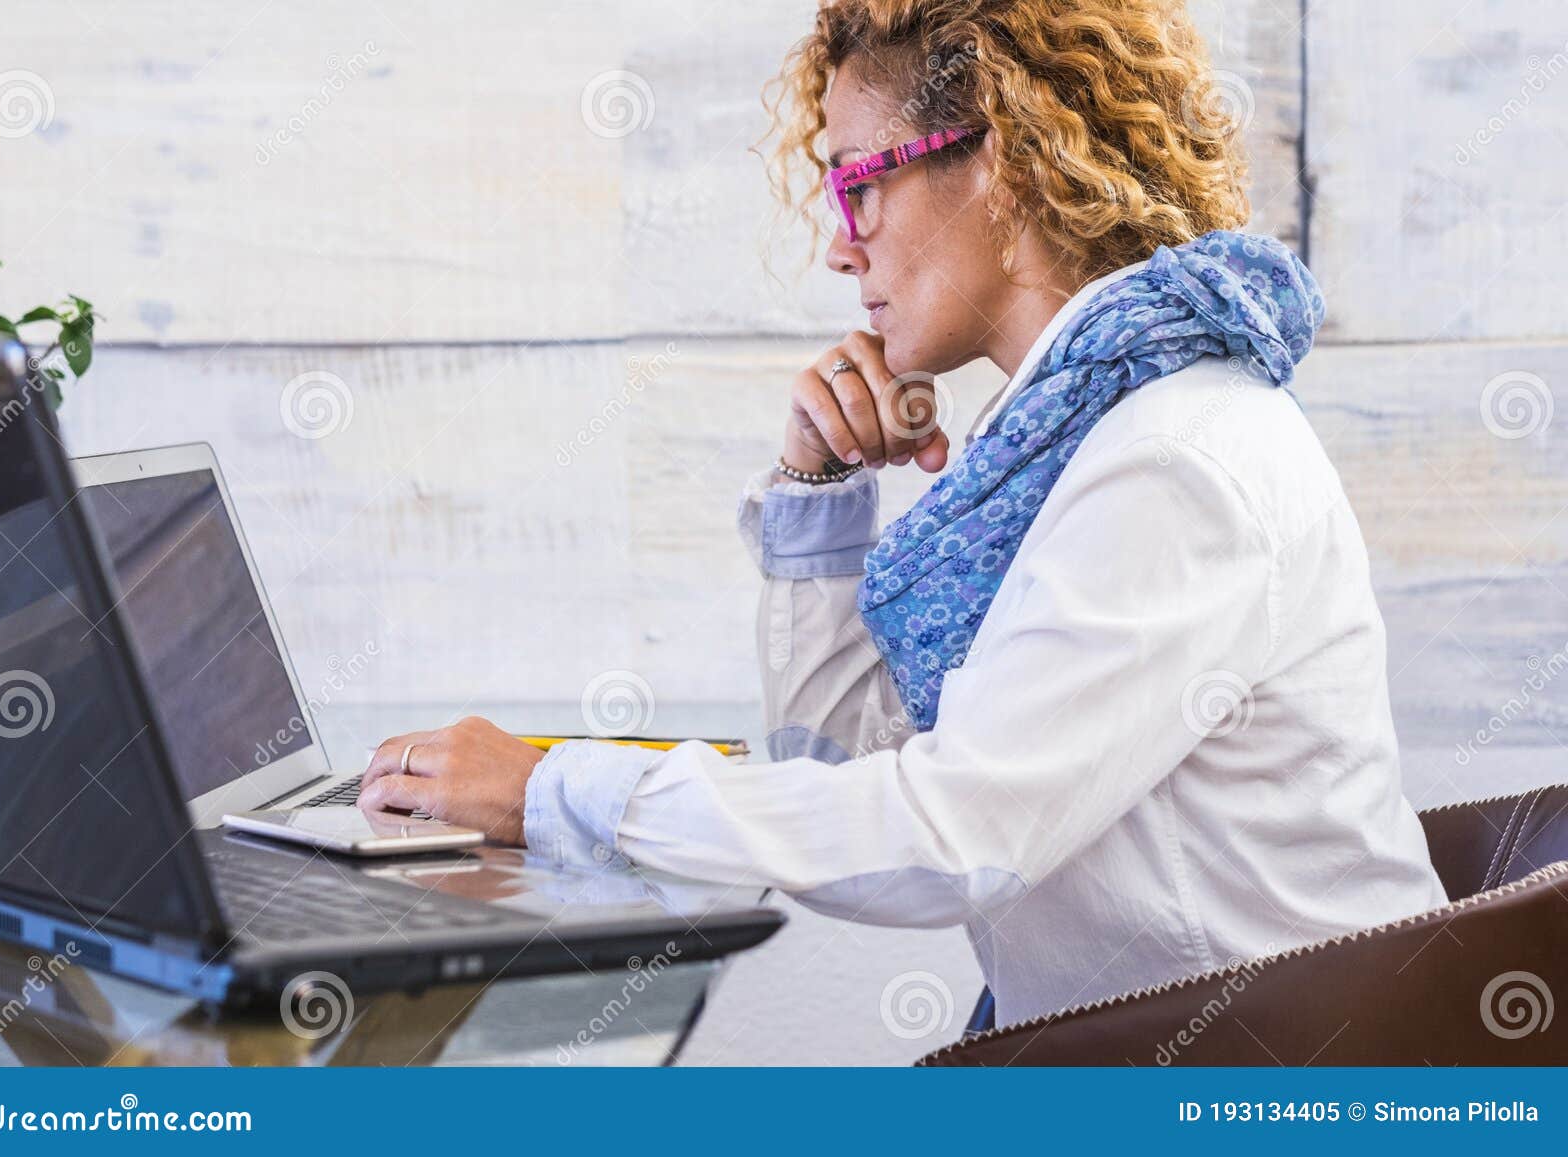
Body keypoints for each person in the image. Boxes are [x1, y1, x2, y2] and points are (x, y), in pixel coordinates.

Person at [360, 0, 1447, 1027]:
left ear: (1005, 166)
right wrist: (821, 502)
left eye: (857, 186)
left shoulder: (1171, 461)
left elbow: (947, 835)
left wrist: (556, 788)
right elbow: (844, 771)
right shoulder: (1069, 440)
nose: (839, 245)